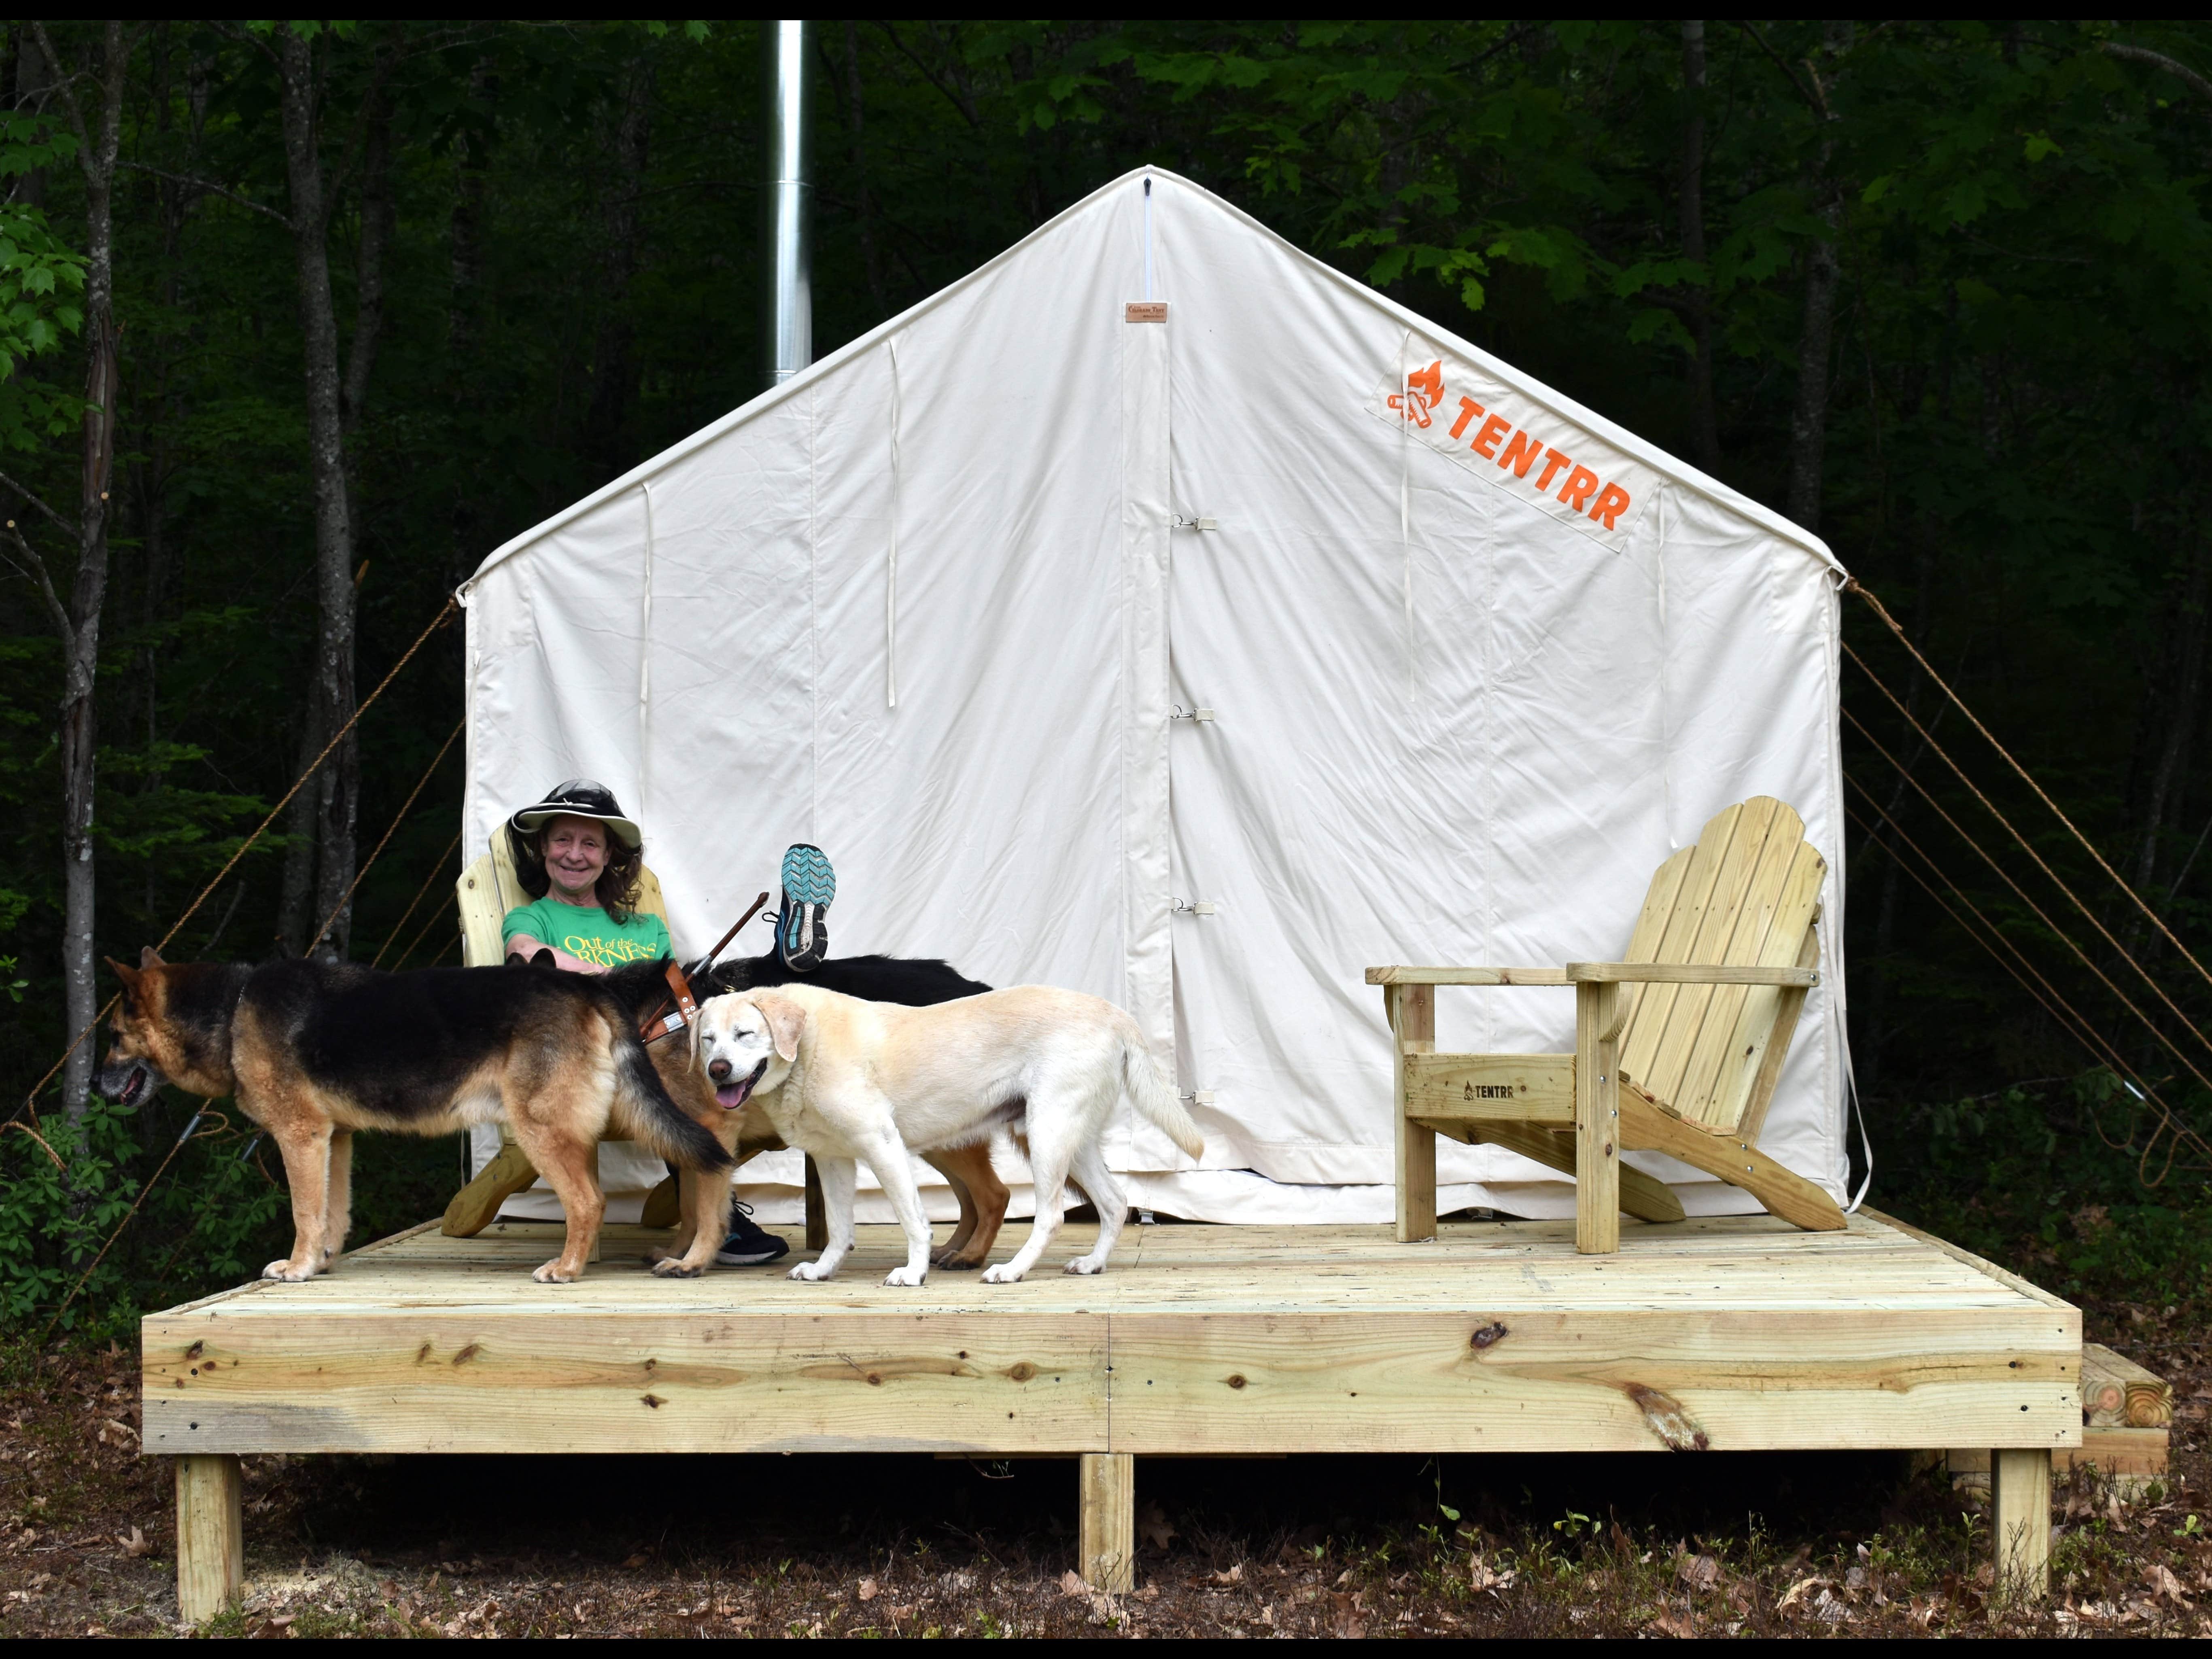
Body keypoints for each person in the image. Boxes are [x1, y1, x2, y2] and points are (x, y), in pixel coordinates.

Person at [498, 779, 789, 1266]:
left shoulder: (645, 927)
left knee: (723, 1025)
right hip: (587, 1061)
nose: (575, 854)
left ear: (609, 854)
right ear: (543, 847)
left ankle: (786, 960)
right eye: (563, 839)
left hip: (665, 1049)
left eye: (590, 843)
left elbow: (680, 1003)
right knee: (691, 1092)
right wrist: (613, 982)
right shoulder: (533, 918)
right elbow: (527, 956)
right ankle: (721, 1225)